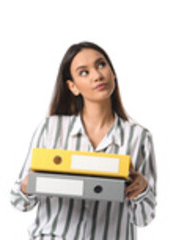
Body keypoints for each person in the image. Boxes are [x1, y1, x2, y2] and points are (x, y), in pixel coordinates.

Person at [9, 42, 158, 239]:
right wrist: (28, 186)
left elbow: (144, 218)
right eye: (84, 72)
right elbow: (19, 202)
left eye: (101, 65)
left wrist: (142, 189)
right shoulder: (51, 129)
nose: (97, 75)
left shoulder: (138, 137)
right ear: (72, 87)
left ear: (113, 73)